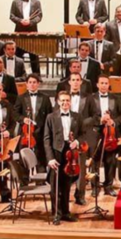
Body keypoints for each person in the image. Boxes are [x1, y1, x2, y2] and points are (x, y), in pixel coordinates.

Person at [44, 92, 86, 225]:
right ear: (57, 101)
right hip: (56, 154)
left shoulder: (77, 117)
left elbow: (83, 134)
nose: (65, 103)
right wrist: (50, 158)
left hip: (70, 154)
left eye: (67, 100)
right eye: (62, 101)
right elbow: (46, 139)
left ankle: (66, 212)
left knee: (67, 185)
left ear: (71, 102)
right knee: (55, 186)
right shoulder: (51, 117)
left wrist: (77, 142)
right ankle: (56, 213)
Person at [81, 75, 121, 202]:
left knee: (110, 161)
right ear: (97, 85)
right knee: (94, 161)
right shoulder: (90, 98)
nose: (104, 85)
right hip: (95, 133)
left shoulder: (115, 98)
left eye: (106, 83)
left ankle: (108, 186)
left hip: (110, 134)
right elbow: (85, 117)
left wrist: (113, 121)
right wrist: (99, 120)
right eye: (102, 83)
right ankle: (95, 187)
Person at [14, 73, 53, 170]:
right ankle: (25, 178)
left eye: (34, 82)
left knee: (41, 154)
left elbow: (49, 114)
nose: (32, 84)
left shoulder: (45, 98)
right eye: (30, 82)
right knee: (24, 154)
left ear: (38, 84)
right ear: (26, 84)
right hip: (25, 131)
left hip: (41, 130)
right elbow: (15, 113)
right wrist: (23, 119)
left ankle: (41, 178)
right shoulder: (21, 97)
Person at [8, 0, 42, 73]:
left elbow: (39, 16)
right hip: (19, 32)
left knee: (34, 55)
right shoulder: (15, 2)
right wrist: (20, 21)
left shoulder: (36, 2)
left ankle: (36, 75)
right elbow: (11, 16)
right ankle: (19, 74)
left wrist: (30, 22)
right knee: (18, 55)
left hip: (32, 31)